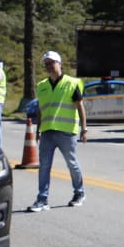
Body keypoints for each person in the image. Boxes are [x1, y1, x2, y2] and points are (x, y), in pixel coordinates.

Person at [28, 50, 87, 212]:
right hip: (47, 132)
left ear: (60, 63)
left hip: (66, 132)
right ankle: (42, 199)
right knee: (44, 166)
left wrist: (84, 129)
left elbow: (80, 107)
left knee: (72, 164)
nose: (49, 66)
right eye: (46, 64)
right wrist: (38, 130)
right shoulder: (42, 86)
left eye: (52, 62)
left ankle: (79, 193)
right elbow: (40, 110)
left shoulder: (72, 83)